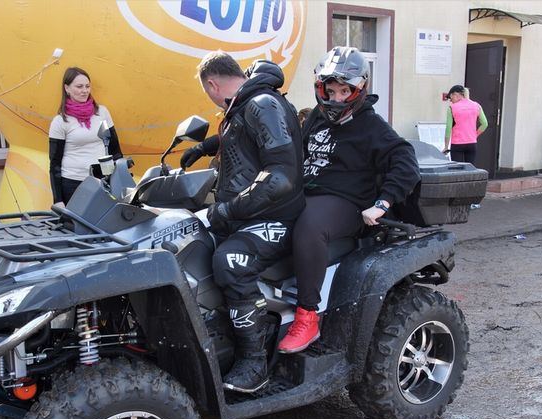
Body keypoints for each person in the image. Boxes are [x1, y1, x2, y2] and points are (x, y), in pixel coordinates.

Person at [277, 47, 420, 354]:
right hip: (308, 192)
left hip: (347, 201)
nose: (336, 99)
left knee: (309, 226)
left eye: (344, 91)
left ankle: (307, 316)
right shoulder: (316, 117)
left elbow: (405, 161)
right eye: (330, 91)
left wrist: (383, 203)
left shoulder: (371, 125)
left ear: (359, 89)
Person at [181, 51, 305, 393]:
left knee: (230, 262)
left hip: (276, 217)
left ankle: (255, 362)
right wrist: (204, 147)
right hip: (249, 214)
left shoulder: (262, 104)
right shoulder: (245, 104)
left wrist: (226, 211)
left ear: (212, 84)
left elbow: (281, 178)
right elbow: (243, 139)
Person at [48, 66, 123, 204]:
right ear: (67, 88)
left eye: (87, 86)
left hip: (103, 181)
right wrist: (58, 200)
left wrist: (120, 178)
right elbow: (55, 164)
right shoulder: (60, 121)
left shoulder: (102, 113)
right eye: (79, 86)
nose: (85, 91)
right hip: (73, 183)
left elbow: (114, 148)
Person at [443, 85, 488, 163]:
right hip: (472, 143)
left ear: (454, 94)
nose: (451, 101)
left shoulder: (452, 108)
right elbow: (485, 124)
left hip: (457, 144)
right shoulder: (477, 105)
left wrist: (446, 146)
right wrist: (475, 135)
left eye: (451, 98)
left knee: (458, 168)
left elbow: (448, 128)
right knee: (470, 168)